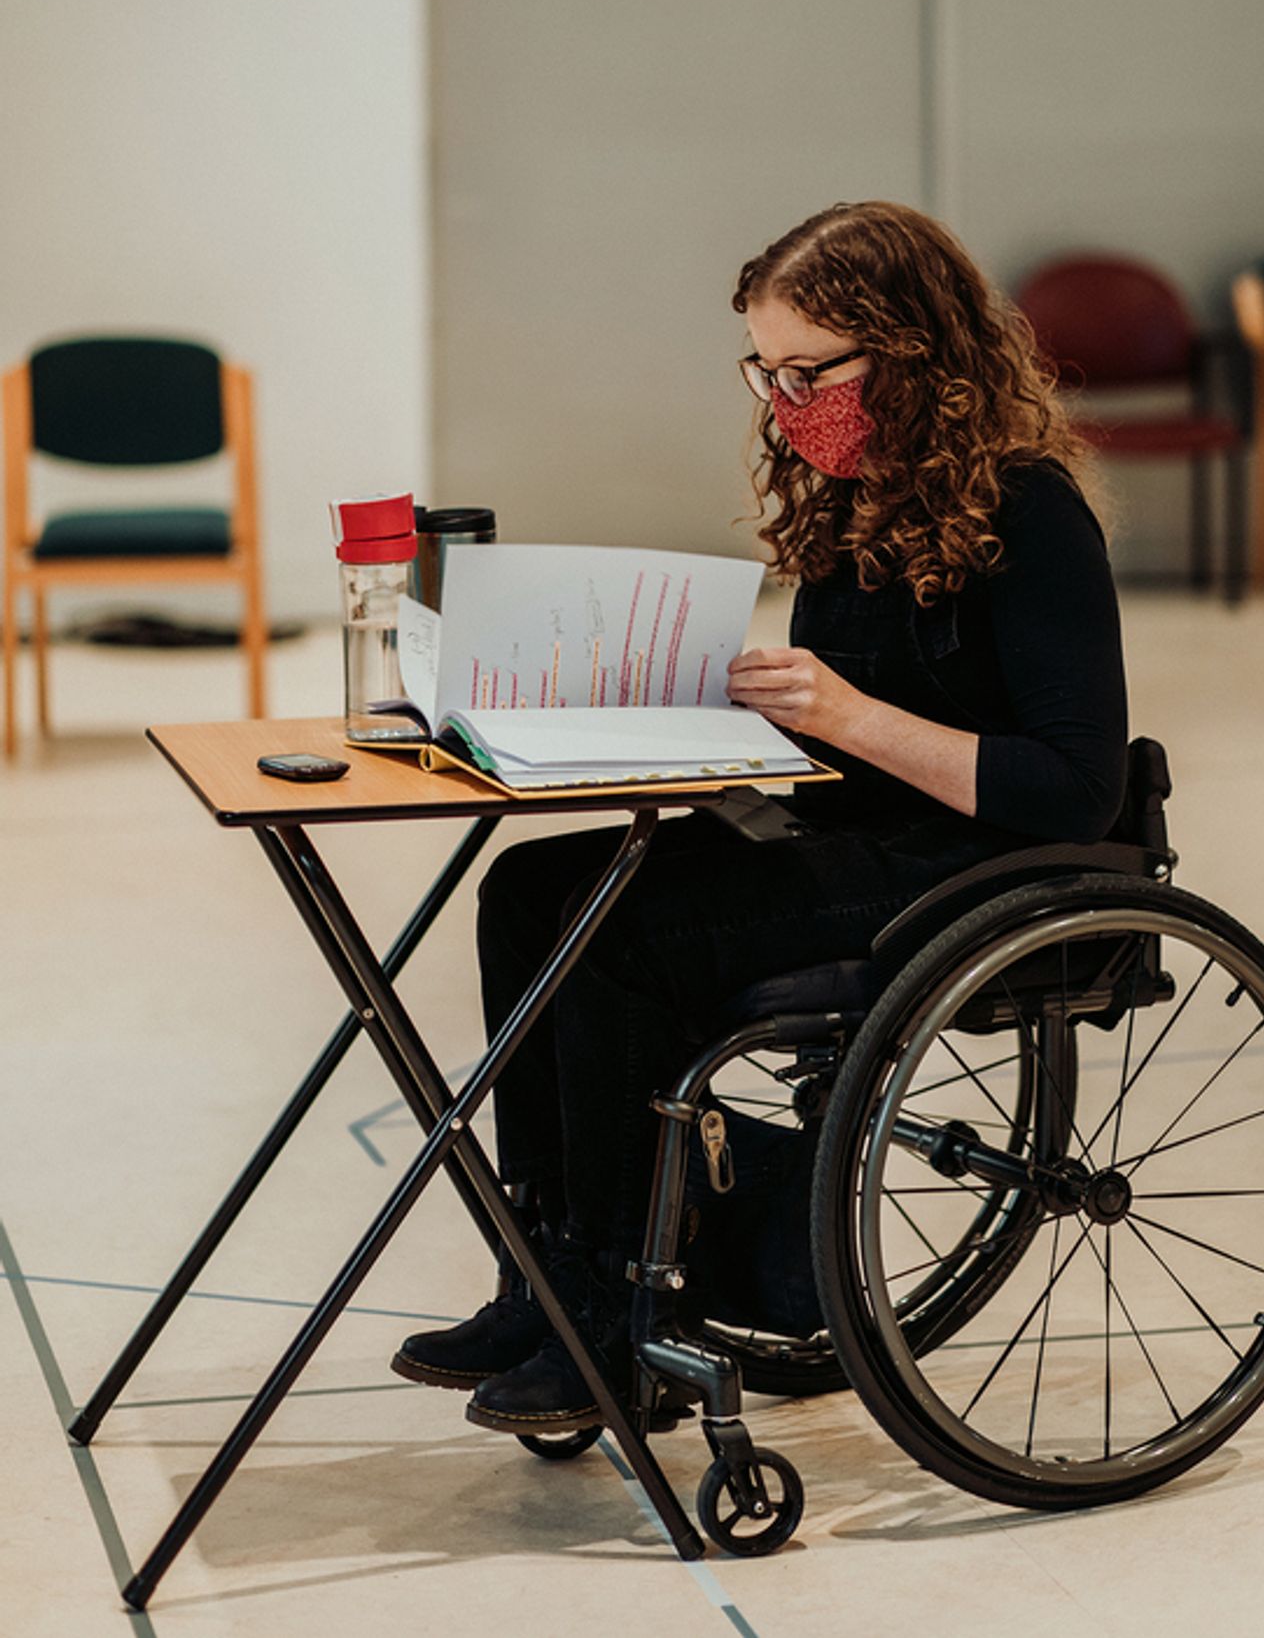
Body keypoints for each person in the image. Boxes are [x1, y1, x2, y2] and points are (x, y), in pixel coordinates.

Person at [391, 200, 1128, 1434]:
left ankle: (626, 1315)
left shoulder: (1029, 511)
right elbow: (837, 727)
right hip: (851, 833)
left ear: (911, 352)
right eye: (765, 371)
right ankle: (550, 1273)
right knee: (528, 889)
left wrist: (839, 716)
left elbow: (1073, 786)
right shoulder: (858, 500)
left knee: (622, 941)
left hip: (971, 861)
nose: (784, 403)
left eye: (808, 372)